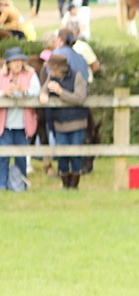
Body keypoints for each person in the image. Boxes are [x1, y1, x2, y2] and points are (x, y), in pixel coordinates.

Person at [38, 53, 87, 189]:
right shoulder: (52, 77)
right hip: (59, 123)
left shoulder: (77, 76)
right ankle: (65, 185)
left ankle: (74, 186)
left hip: (76, 123)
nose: (50, 72)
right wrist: (43, 94)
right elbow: (44, 90)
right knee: (61, 155)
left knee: (76, 155)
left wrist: (60, 92)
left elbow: (79, 98)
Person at [0, 47, 40, 191]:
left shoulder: (30, 75)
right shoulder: (1, 76)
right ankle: (2, 186)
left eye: (19, 61)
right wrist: (4, 93)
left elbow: (37, 92)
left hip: (24, 125)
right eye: (14, 61)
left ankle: (21, 186)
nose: (17, 64)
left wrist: (24, 90)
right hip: (4, 126)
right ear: (8, 63)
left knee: (21, 157)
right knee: (3, 157)